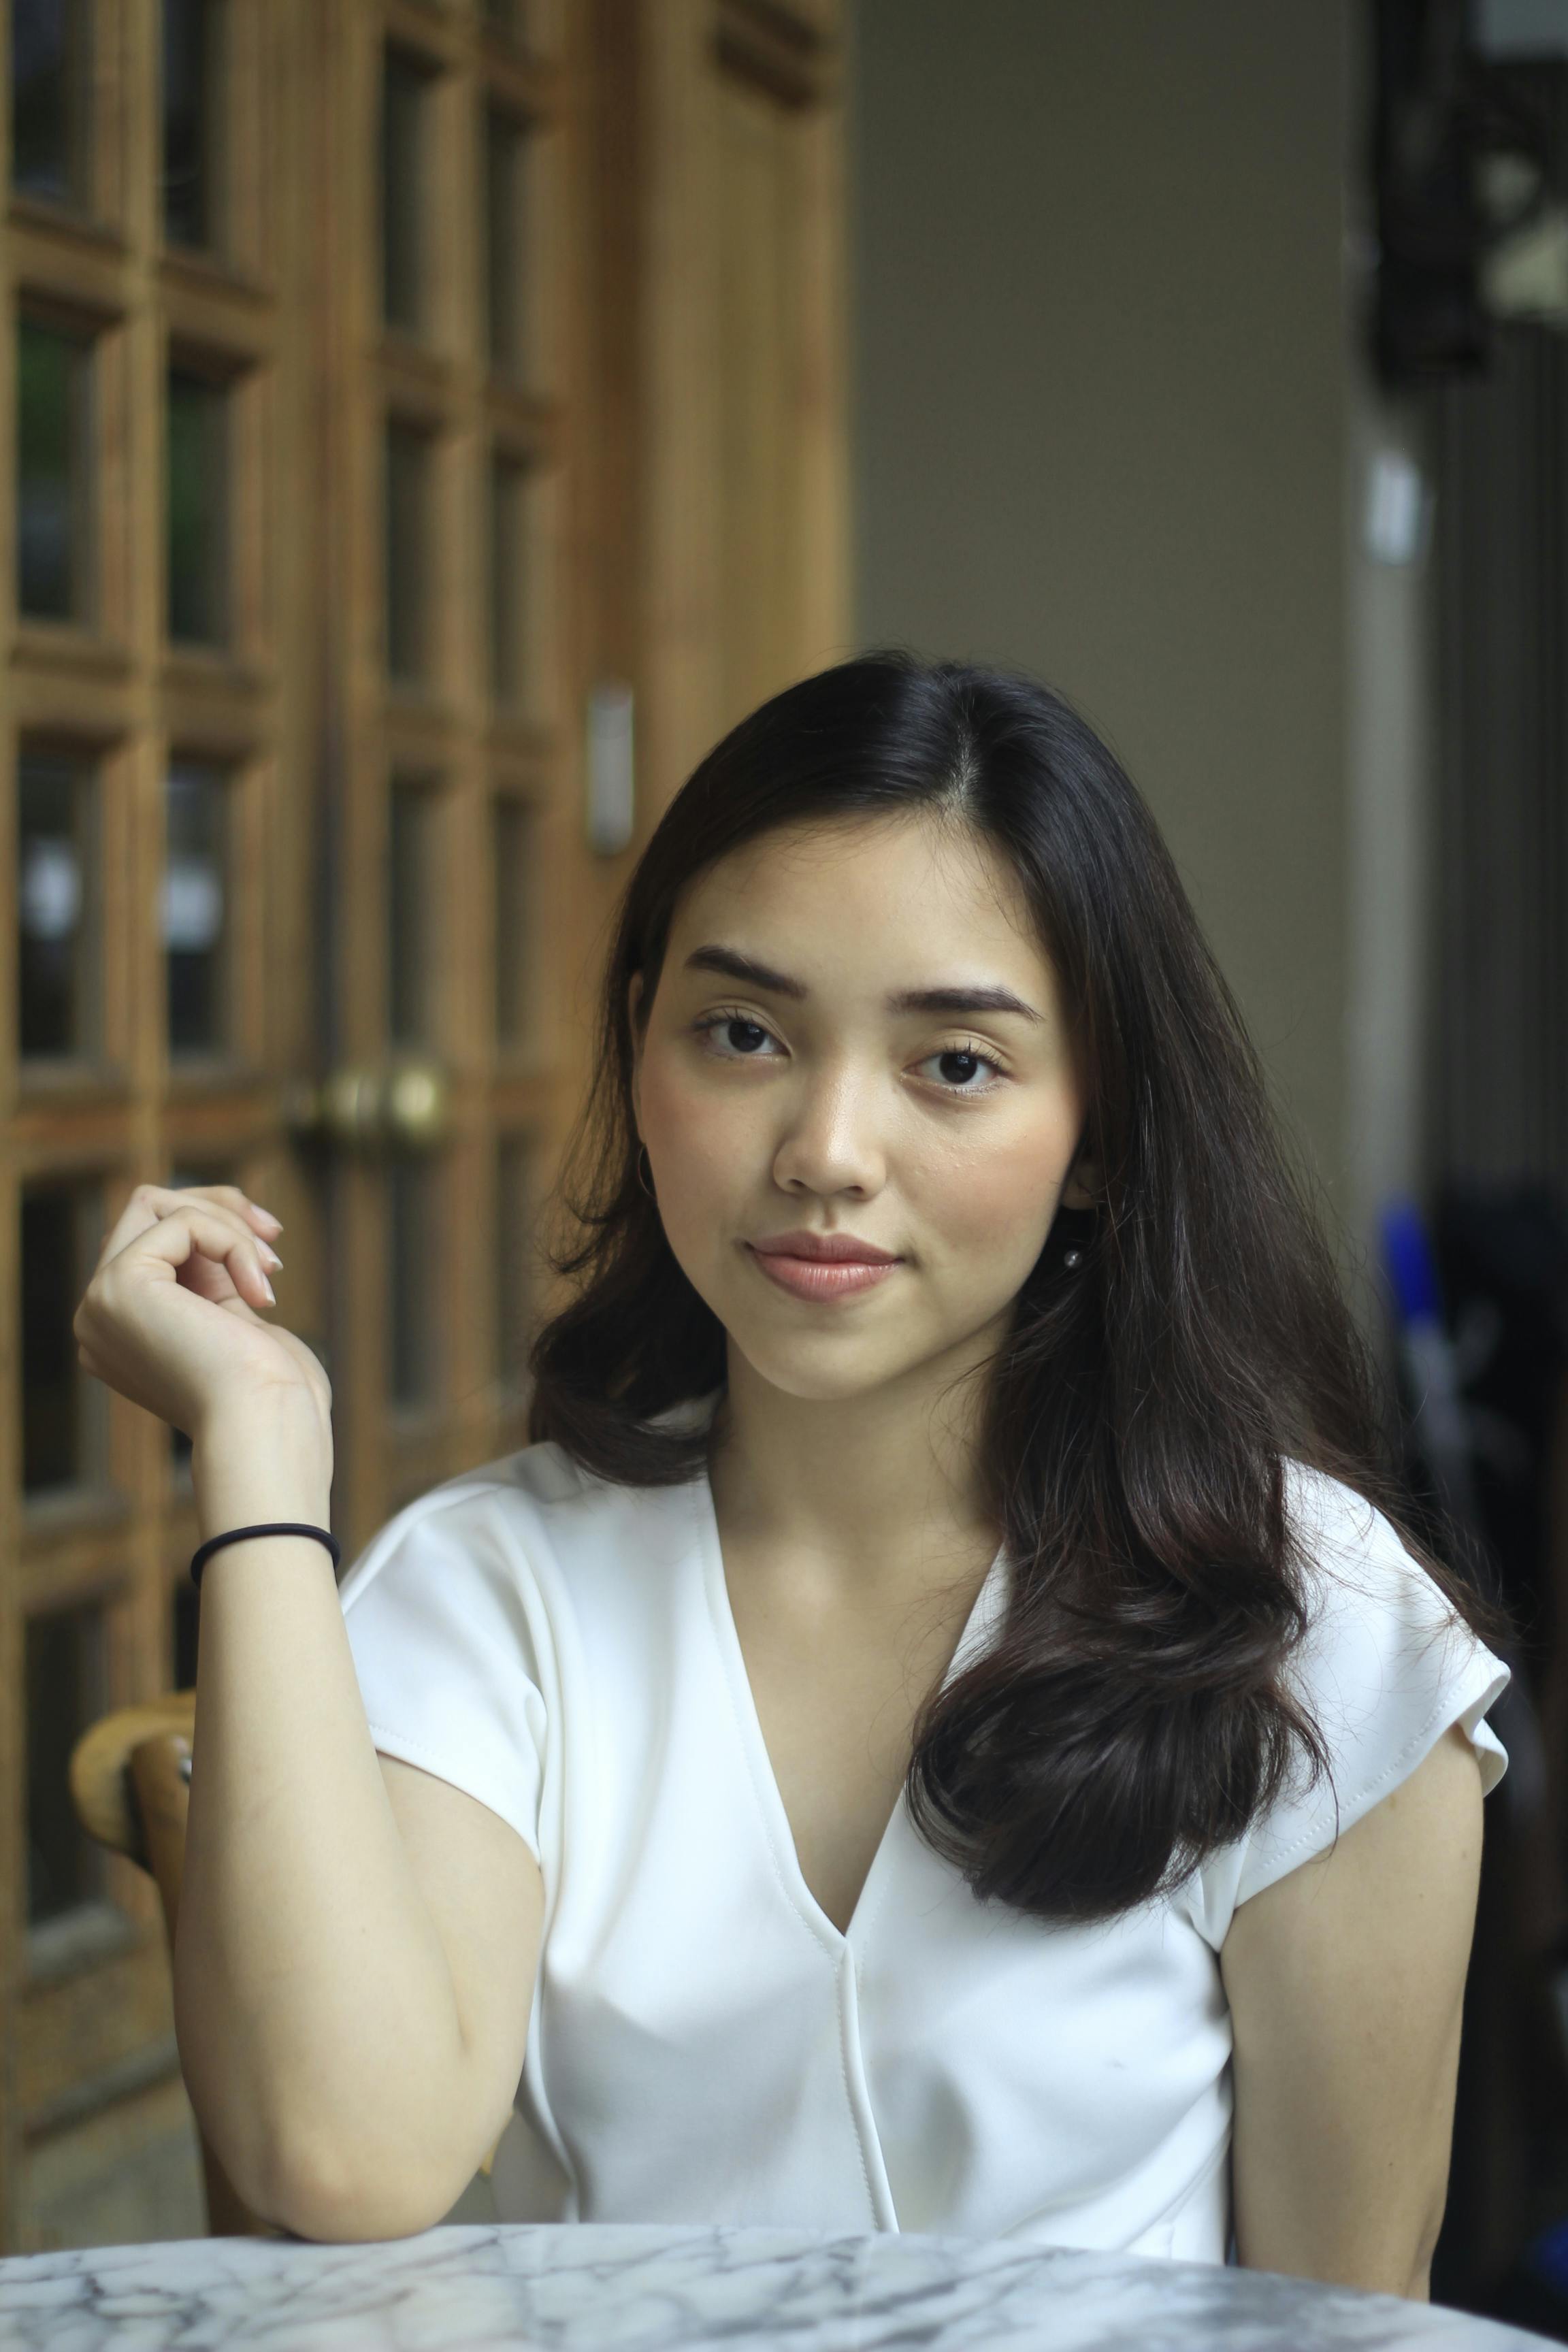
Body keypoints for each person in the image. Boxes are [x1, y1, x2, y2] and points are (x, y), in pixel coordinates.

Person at [74, 653, 1512, 2293]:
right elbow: (343, 2153)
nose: (826, 1150)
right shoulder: (496, 1593)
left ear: (1100, 1133)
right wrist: (260, 1450)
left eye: (952, 1063)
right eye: (743, 1033)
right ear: (642, 1047)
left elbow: (1341, 2325)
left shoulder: (1318, 1632)